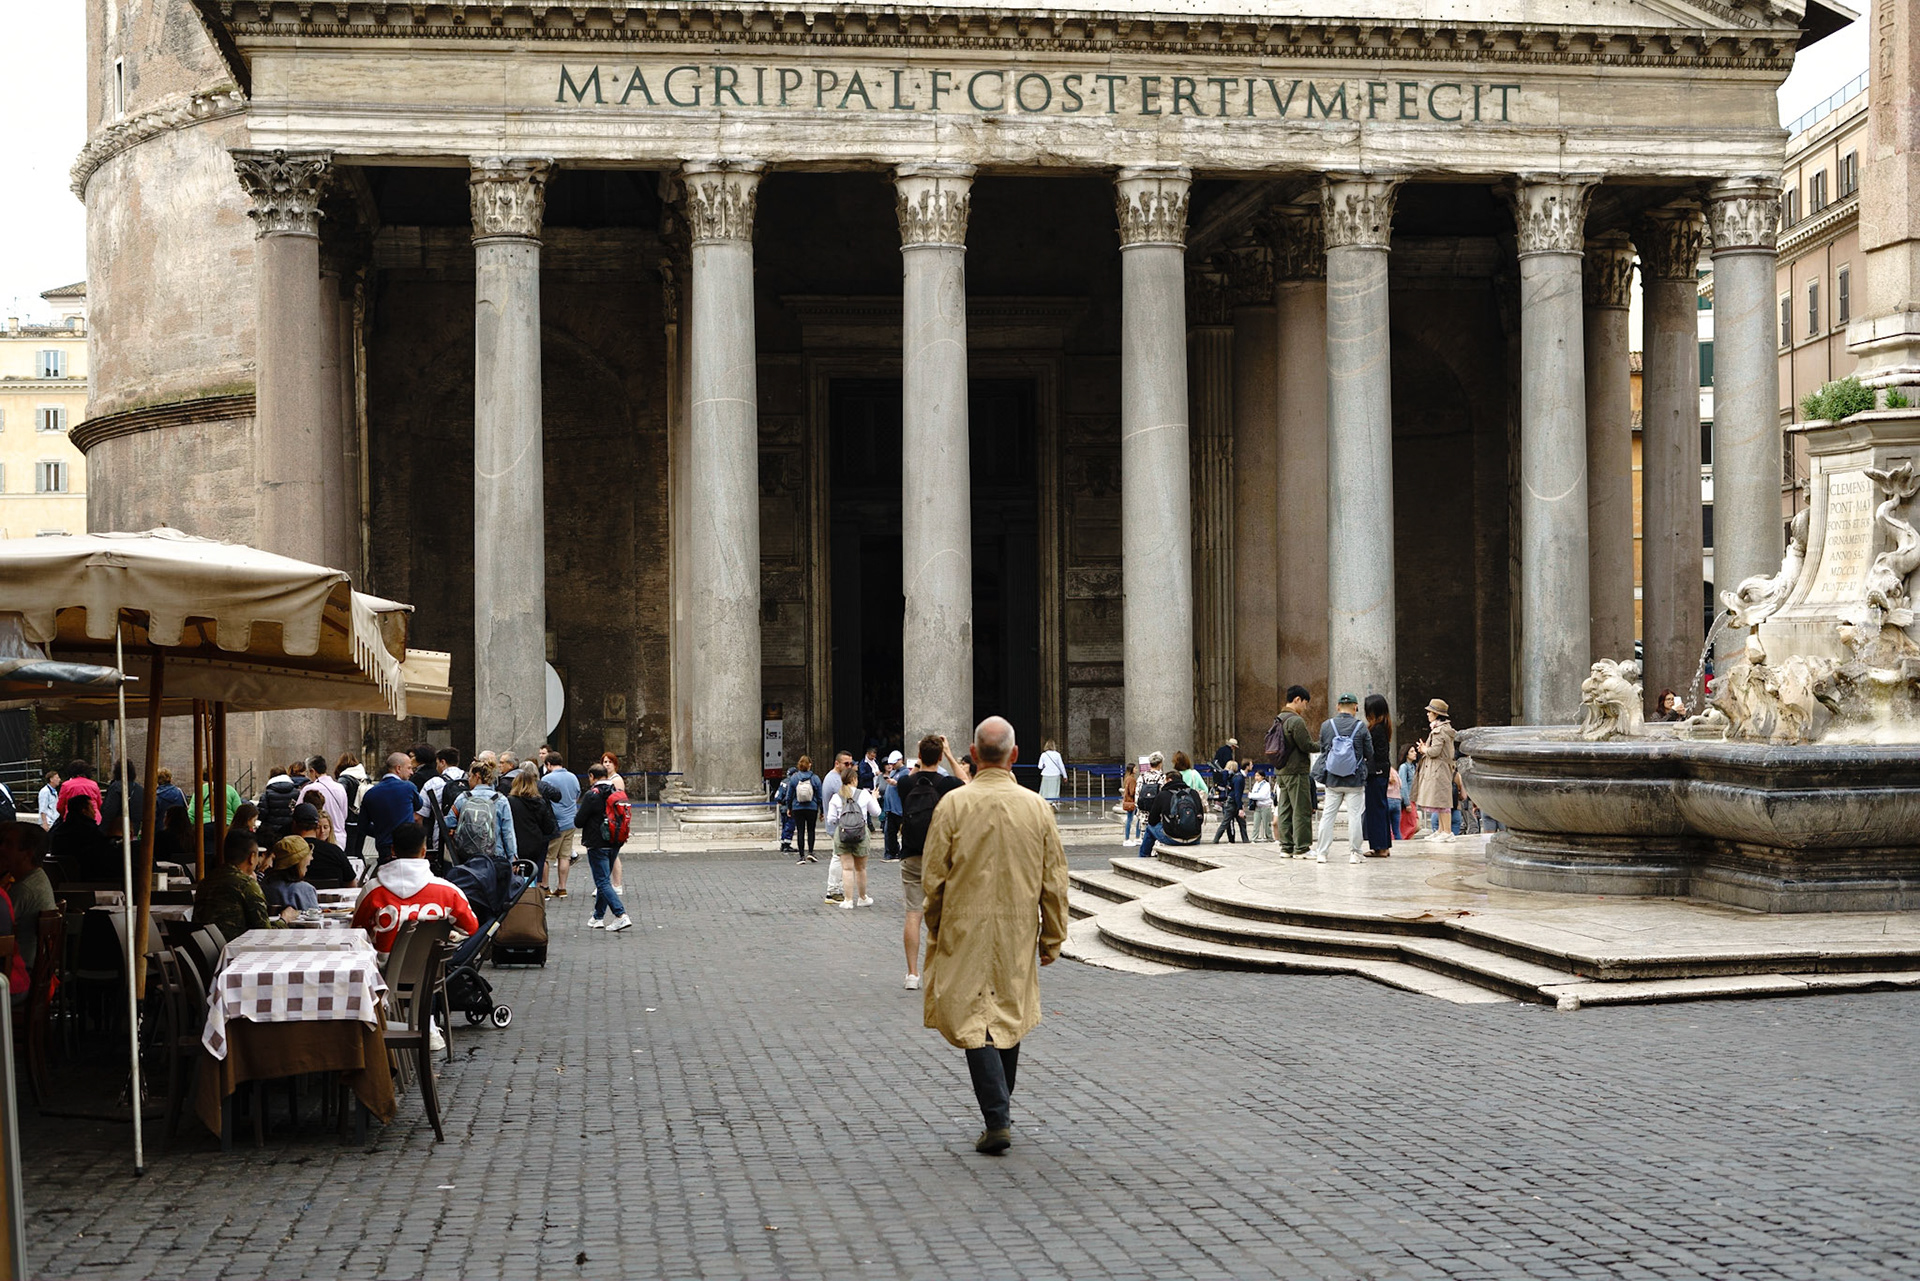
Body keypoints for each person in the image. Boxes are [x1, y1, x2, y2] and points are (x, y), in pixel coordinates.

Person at [921, 715, 1069, 1156]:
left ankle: (997, 1116)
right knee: (1006, 1011)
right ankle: (999, 1111)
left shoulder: (953, 805)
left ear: (973, 752)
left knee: (974, 1020)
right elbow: (1054, 881)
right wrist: (1053, 937)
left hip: (963, 927)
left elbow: (933, 878)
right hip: (1018, 928)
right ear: (1015, 756)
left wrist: (935, 925)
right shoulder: (1037, 807)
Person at [896, 735, 969, 990]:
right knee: (945, 915)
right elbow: (966, 782)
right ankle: (944, 970)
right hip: (940, 856)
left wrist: (919, 759)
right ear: (939, 756)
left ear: (919, 755)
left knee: (913, 914)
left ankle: (912, 974)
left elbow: (911, 776)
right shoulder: (947, 784)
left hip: (912, 854)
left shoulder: (905, 783)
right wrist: (949, 755)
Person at [349, 821, 478, 954]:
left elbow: (355, 931)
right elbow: (470, 928)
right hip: (430, 971)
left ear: (393, 850)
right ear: (423, 851)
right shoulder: (450, 892)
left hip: (378, 969)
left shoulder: (372, 890)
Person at [1309, 692, 1371, 865]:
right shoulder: (1361, 727)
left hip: (1332, 780)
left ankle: (1322, 853)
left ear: (1337, 707)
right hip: (1354, 780)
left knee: (1328, 816)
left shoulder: (1326, 726)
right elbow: (1369, 752)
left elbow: (1323, 750)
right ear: (1355, 707)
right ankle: (1355, 853)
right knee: (1354, 816)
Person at [194, 826, 289, 935]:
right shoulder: (246, 885)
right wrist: (284, 920)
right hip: (235, 946)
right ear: (252, 857)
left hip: (208, 946)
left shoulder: (206, 881)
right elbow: (264, 932)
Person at [576, 763, 633, 932]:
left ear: (592, 777)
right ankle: (598, 916)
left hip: (597, 842)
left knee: (601, 881)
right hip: (615, 840)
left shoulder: (592, 795)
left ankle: (620, 915)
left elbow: (578, 821)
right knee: (604, 881)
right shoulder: (616, 792)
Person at [0, 826, 54, 973]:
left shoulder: (24, 889)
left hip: (17, 973)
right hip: (31, 969)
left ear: (27, 854)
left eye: (9, 844)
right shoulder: (37, 877)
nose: (2, 848)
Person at [823, 775, 881, 909]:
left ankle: (848, 900)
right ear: (854, 779)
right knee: (861, 868)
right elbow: (877, 812)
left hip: (843, 834)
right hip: (861, 834)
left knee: (846, 868)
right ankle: (862, 898)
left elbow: (831, 819)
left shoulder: (837, 797)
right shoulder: (864, 794)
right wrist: (874, 797)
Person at [1273, 686, 1316, 857]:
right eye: (1305, 703)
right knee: (1301, 809)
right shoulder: (1296, 721)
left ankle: (1286, 847)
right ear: (1297, 699)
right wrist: (1325, 744)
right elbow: (1306, 745)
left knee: (1284, 810)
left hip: (1281, 771)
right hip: (1296, 771)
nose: (1305, 707)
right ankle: (1302, 848)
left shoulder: (1279, 718)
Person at [448, 761, 517, 864]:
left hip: (467, 856)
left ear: (477, 776)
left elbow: (449, 822)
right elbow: (508, 832)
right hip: (494, 854)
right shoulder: (501, 800)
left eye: (470, 776)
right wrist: (513, 857)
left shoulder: (463, 798)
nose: (468, 780)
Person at [359, 752, 423, 862]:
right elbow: (419, 805)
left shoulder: (370, 794)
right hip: (407, 845)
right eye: (409, 768)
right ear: (398, 768)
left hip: (384, 846)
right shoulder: (408, 787)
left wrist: (381, 831)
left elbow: (363, 826)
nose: (411, 772)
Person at [1413, 699, 1459, 841]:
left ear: (1435, 714)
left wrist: (1425, 749)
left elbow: (1435, 751)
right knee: (1439, 801)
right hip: (1441, 768)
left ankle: (1447, 831)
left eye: (1429, 712)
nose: (1427, 714)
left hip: (1439, 769)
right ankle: (1441, 830)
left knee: (1443, 801)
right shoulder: (1441, 729)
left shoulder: (1439, 730)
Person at [1138, 766, 1203, 860]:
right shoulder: (1193, 793)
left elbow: (1152, 820)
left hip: (1172, 837)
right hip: (1195, 837)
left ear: (1169, 780)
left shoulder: (1163, 794)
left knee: (1150, 828)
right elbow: (1201, 817)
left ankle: (1143, 857)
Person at [540, 754, 581, 898]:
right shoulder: (573, 777)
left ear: (549, 764)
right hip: (571, 820)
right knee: (565, 856)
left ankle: (545, 887)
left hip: (555, 822)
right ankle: (562, 888)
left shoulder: (547, 779)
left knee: (546, 857)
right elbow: (577, 794)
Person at [50, 794, 117, 882]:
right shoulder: (91, 831)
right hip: (88, 878)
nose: (95, 811)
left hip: (62, 877)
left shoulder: (59, 830)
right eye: (92, 808)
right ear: (84, 811)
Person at [1361, 694, 1397, 858]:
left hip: (1376, 774)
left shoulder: (1376, 729)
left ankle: (1379, 847)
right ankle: (1383, 846)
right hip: (1381, 773)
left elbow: (1377, 754)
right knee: (1380, 809)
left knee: (1375, 811)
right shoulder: (1383, 726)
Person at [507, 765, 558, 874]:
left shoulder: (509, 802)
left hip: (515, 842)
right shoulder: (539, 802)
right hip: (535, 844)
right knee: (533, 872)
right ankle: (533, 889)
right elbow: (548, 827)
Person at [291, 802, 355, 888]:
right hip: (333, 899)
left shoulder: (288, 852)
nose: (322, 831)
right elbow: (351, 882)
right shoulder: (335, 851)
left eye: (325, 827)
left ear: (294, 824)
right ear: (316, 826)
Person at [821, 750, 854, 903]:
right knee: (838, 857)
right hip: (837, 826)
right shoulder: (835, 780)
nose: (849, 767)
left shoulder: (834, 777)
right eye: (846, 764)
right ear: (837, 763)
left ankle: (837, 888)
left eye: (851, 764)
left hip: (837, 825)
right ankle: (833, 890)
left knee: (841, 858)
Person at [262, 836, 321, 914]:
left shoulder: (264, 887)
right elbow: (315, 920)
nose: (311, 858)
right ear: (298, 861)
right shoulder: (304, 890)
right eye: (308, 855)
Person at [298, 755, 350, 840]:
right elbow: (344, 814)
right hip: (339, 837)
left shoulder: (309, 789)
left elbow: (300, 811)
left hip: (319, 836)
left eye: (308, 773)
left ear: (312, 771)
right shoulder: (340, 788)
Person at [190, 765, 243, 829]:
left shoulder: (200, 790)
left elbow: (192, 813)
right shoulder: (230, 790)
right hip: (226, 825)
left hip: (204, 826)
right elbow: (239, 811)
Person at [1211, 759, 1248, 843]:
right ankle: (1245, 840)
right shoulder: (1237, 777)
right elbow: (1237, 794)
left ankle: (1217, 840)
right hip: (1232, 802)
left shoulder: (1228, 776)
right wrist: (1240, 807)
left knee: (1226, 823)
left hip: (1229, 801)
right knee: (1233, 822)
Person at [880, 751, 907, 860]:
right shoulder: (893, 772)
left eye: (894, 764)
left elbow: (906, 786)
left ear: (900, 760)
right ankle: (891, 852)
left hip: (899, 808)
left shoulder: (905, 773)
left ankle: (900, 852)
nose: (892, 766)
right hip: (890, 808)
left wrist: (896, 783)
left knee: (901, 832)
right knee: (889, 832)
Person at [1246, 767, 1276, 843]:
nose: (1256, 777)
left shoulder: (1266, 785)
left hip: (1265, 806)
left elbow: (1262, 796)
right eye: (1255, 776)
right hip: (1257, 806)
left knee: (1267, 823)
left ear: (1262, 776)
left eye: (1258, 776)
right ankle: (1254, 837)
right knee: (1256, 823)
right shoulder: (1256, 784)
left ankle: (1269, 837)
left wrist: (1252, 795)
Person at [1398, 746, 1420, 840]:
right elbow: (1403, 785)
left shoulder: (1414, 767)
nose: (1414, 753)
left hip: (1414, 799)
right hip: (1408, 800)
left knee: (1412, 826)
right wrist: (1407, 803)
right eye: (1412, 751)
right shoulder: (1404, 767)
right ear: (1406, 754)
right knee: (1413, 825)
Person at [1120, 761, 1140, 847]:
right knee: (1136, 819)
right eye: (1135, 768)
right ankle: (1136, 837)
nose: (1136, 769)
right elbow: (1132, 792)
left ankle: (1128, 838)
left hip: (1128, 801)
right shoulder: (1132, 779)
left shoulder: (1127, 778)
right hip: (1132, 801)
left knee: (1130, 819)